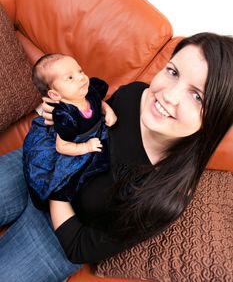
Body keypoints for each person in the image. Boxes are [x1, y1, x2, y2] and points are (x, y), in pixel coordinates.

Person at [0, 32, 233, 282]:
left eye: (197, 96)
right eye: (173, 72)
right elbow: (88, 115)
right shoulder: (135, 94)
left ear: (216, 118)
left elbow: (79, 247)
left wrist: (55, 186)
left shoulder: (165, 197)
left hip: (58, 232)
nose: (169, 96)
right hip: (37, 165)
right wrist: (59, 112)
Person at [23, 53, 117, 203]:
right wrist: (86, 146)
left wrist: (108, 111)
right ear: (55, 95)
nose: (81, 77)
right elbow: (62, 147)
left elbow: (98, 103)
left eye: (80, 71)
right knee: (67, 180)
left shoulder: (89, 92)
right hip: (72, 142)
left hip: (92, 132)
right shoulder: (66, 117)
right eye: (70, 78)